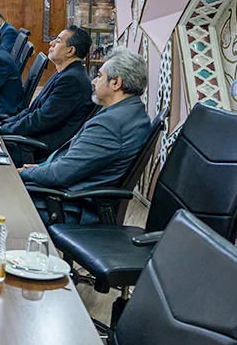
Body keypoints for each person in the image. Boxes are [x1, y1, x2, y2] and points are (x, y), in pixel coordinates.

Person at [21, 48, 152, 224]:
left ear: (116, 83)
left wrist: (25, 172)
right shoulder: (134, 112)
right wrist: (40, 168)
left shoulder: (110, 125)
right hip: (71, 193)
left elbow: (60, 175)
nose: (94, 82)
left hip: (67, 205)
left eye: (99, 76)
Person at [0, 26, 96, 165]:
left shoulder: (72, 81)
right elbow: (33, 110)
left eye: (58, 41)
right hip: (28, 139)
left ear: (70, 51)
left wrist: (5, 129)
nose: (51, 43)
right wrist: (5, 124)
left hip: (34, 149)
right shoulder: (65, 73)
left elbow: (42, 120)